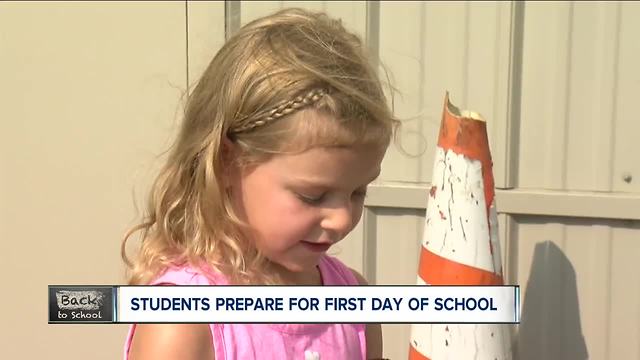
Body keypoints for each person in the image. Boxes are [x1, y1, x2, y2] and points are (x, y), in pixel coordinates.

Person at [122, 7, 398, 360]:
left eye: (358, 192)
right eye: (312, 196)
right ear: (226, 162)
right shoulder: (182, 322)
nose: (343, 219)